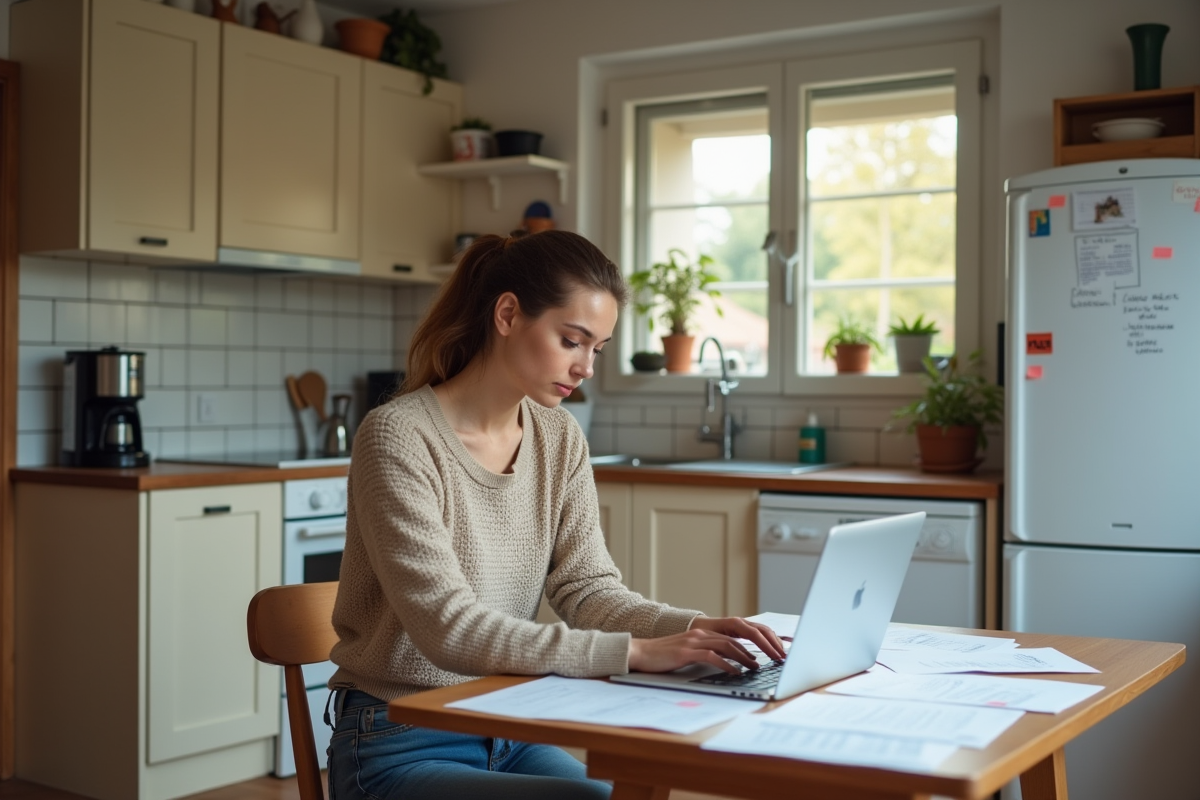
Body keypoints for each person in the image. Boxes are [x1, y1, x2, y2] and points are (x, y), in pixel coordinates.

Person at [327, 230, 786, 800]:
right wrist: (636, 653)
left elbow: (587, 589)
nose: (586, 367)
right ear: (507, 314)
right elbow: (447, 628)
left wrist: (690, 629)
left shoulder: (558, 436)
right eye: (572, 340)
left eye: (598, 349)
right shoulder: (398, 436)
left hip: (505, 720)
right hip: (400, 740)